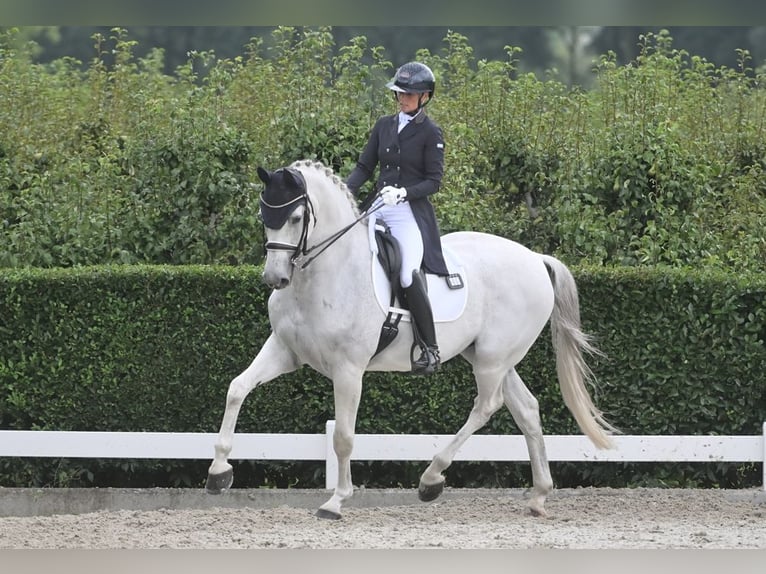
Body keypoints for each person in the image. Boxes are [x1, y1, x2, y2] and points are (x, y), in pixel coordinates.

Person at [346, 61, 449, 375]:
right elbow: (365, 168)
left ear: (425, 96)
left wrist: (404, 193)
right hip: (378, 205)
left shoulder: (431, 133)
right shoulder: (384, 125)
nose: (402, 98)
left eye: (409, 94)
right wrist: (344, 192)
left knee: (406, 274)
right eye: (399, 93)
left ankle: (429, 348)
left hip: (408, 212)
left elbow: (434, 181)